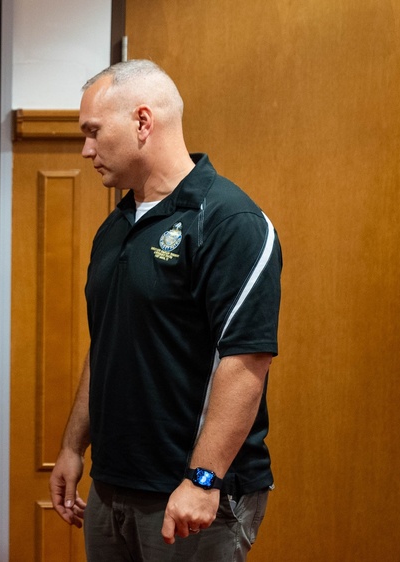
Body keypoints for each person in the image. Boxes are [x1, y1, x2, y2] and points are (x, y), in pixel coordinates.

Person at [49, 59, 282, 561]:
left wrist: (203, 477)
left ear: (142, 121)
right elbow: (107, 342)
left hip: (191, 496)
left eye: (93, 132)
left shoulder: (229, 220)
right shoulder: (115, 227)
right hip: (113, 489)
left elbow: (246, 362)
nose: (85, 149)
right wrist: (73, 447)